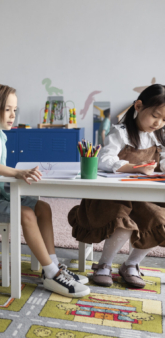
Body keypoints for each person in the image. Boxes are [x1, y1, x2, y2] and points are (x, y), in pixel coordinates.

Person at [0, 84, 90, 297]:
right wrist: (16, 173)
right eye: (8, 110)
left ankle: (54, 265)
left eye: (14, 110)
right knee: (27, 213)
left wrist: (16, 175)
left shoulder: (0, 134)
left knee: (42, 207)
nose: (13, 115)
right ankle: (51, 274)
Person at [69, 84, 165, 288]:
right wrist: (135, 167)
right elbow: (104, 159)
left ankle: (131, 265)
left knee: (160, 220)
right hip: (112, 197)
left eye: (164, 119)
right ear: (138, 106)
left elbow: (162, 158)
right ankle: (104, 264)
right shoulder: (120, 132)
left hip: (141, 197)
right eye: (156, 116)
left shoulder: (158, 135)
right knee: (123, 224)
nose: (159, 123)